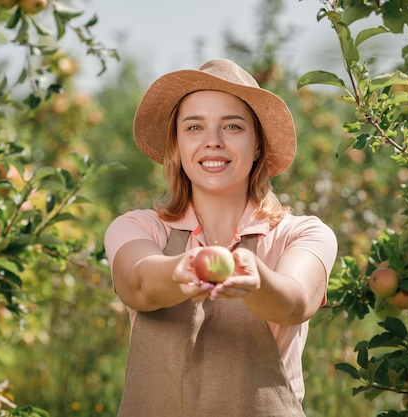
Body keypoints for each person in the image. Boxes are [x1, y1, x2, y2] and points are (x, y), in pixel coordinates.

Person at [103, 58, 338, 417]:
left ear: (257, 143)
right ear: (177, 145)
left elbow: (295, 302)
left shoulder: (301, 234)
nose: (212, 142)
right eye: (194, 127)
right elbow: (138, 282)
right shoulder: (140, 228)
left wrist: (257, 281)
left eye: (232, 126)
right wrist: (181, 270)